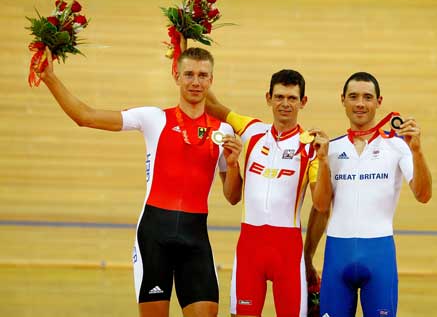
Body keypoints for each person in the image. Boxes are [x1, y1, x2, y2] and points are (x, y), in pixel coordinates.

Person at [37, 46, 243, 317]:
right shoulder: (153, 118)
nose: (196, 81)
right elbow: (85, 116)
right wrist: (50, 78)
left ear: (211, 80)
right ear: (176, 76)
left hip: (196, 239)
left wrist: (232, 164)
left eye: (203, 75)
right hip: (154, 236)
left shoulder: (223, 132)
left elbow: (233, 196)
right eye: (189, 74)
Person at [305, 71, 432, 317]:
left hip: (379, 254)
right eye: (353, 97)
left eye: (367, 97)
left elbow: (423, 194)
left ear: (379, 102)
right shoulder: (331, 149)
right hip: (336, 255)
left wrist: (417, 151)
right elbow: (320, 205)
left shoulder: (398, 146)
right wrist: (322, 161)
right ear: (342, 100)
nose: (360, 103)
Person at [205, 69, 322, 317]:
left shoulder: (310, 146)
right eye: (279, 97)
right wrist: (180, 52)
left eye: (292, 98)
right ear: (268, 98)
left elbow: (322, 204)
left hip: (288, 251)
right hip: (250, 248)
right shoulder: (252, 130)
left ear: (303, 102)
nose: (285, 104)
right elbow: (211, 104)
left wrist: (325, 162)